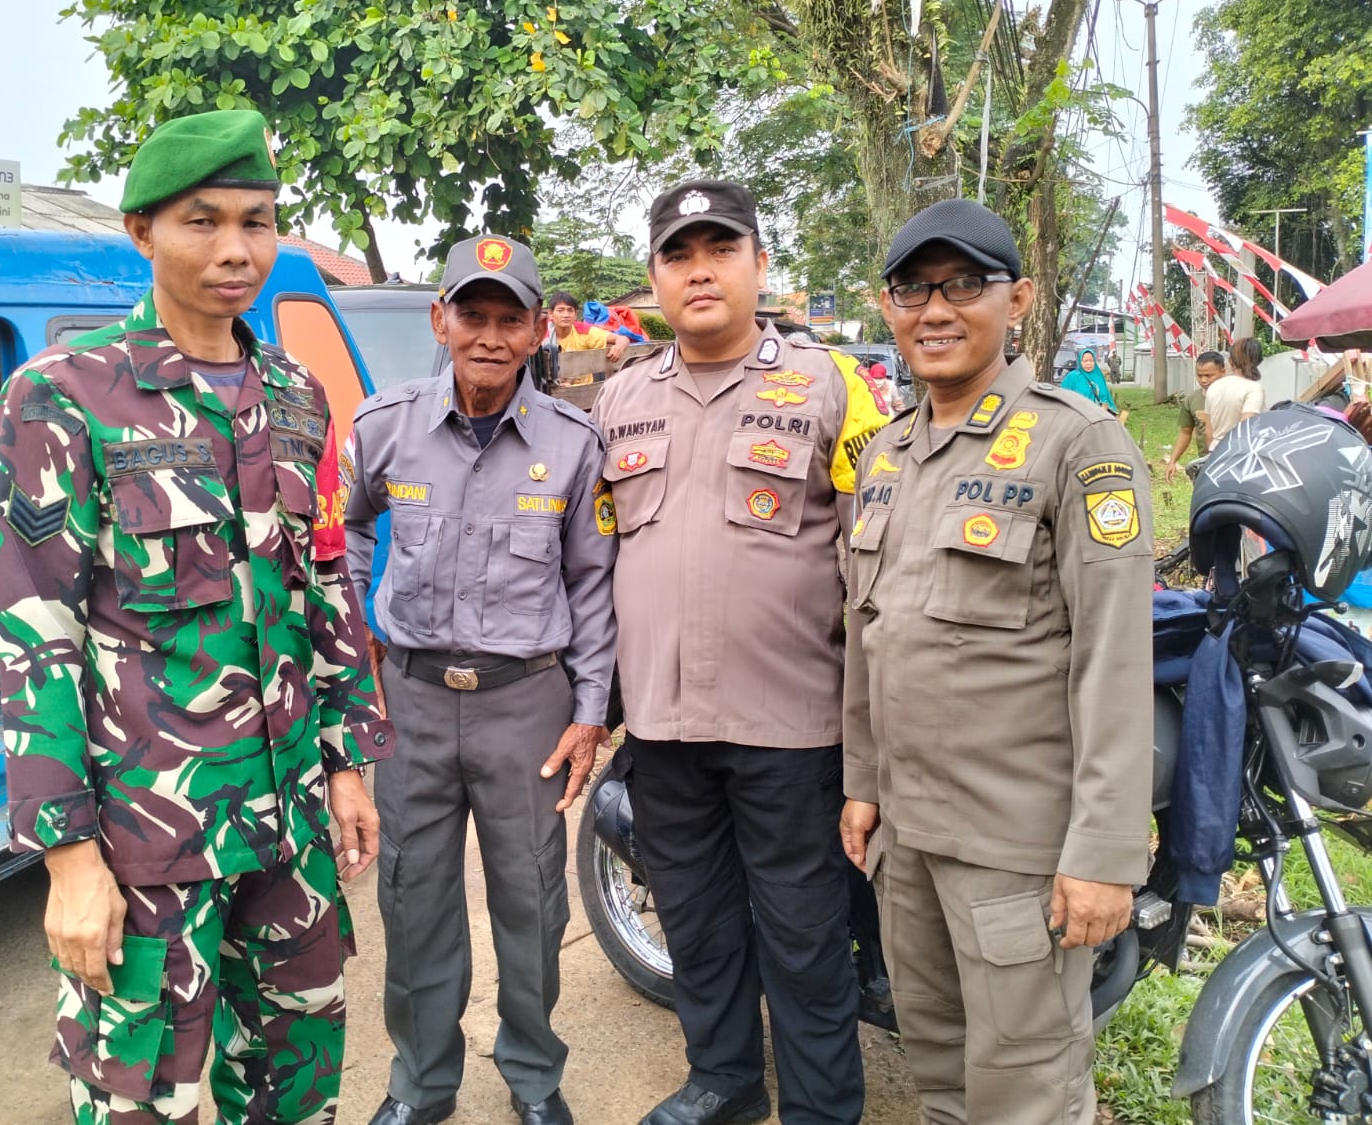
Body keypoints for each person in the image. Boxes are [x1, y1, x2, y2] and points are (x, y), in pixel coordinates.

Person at [0, 109, 390, 1125]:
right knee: (140, 1102)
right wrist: (68, 858)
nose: (235, 251)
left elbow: (325, 585)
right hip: (150, 838)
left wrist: (347, 761)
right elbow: (37, 632)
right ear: (141, 231)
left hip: (290, 824)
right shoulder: (62, 396)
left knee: (297, 1087)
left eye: (256, 222)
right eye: (201, 221)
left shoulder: (296, 396)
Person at [839, 198, 1153, 1124]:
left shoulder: (1076, 442)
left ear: (1017, 299)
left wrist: (1104, 855)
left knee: (1028, 1092)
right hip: (907, 838)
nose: (935, 310)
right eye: (912, 289)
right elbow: (869, 637)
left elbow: (1113, 660)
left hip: (1016, 850)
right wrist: (862, 784)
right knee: (939, 1071)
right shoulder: (886, 454)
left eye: (963, 285)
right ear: (887, 307)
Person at [594, 179, 889, 1125]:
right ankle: (723, 1079)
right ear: (654, 279)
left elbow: (875, 557)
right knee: (697, 922)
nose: (700, 271)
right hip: (663, 724)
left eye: (721, 249)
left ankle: (821, 1108)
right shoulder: (618, 398)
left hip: (791, 726)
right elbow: (599, 556)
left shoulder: (832, 385)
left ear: (760, 264)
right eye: (678, 255)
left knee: (805, 936)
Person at [345, 235, 616, 1125]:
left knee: (532, 903)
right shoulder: (383, 426)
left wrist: (589, 711)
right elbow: (343, 533)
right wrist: (357, 635)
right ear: (441, 320)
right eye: (473, 314)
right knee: (412, 899)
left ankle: (534, 1077)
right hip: (414, 702)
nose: (490, 336)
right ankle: (422, 1084)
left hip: (525, 705)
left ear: (539, 331)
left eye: (510, 319)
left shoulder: (573, 444)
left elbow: (592, 584)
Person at [1165, 350, 1226, 481]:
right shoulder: (1191, 400)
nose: (1203, 380)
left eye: (1209, 375)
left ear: (1223, 372)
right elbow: (1185, 432)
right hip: (1205, 462)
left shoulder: (1234, 396)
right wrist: (1173, 461)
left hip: (1232, 460)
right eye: (1199, 375)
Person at [1203, 336, 1266, 446]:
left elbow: (1208, 431)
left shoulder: (1214, 386)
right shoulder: (1254, 389)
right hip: (1238, 451)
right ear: (1258, 361)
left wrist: (1212, 452)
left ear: (1230, 360)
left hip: (1215, 450)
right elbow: (1245, 428)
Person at [1059, 348, 1117, 414]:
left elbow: (1104, 398)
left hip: (1097, 415)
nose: (1088, 363)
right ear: (1080, 362)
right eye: (1085, 361)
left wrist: (1102, 413)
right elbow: (1063, 396)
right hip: (1077, 415)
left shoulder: (1098, 376)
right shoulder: (1073, 376)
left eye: (1091, 361)